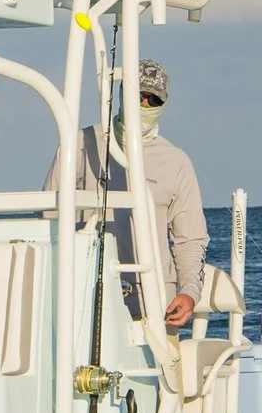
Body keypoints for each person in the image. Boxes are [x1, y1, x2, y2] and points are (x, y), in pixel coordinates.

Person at [50, 58, 208, 330]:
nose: (144, 105)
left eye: (153, 99)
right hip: (84, 299)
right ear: (122, 95)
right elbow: (48, 218)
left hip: (156, 304)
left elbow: (190, 240)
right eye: (138, 96)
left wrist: (190, 291)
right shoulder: (78, 144)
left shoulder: (177, 161)